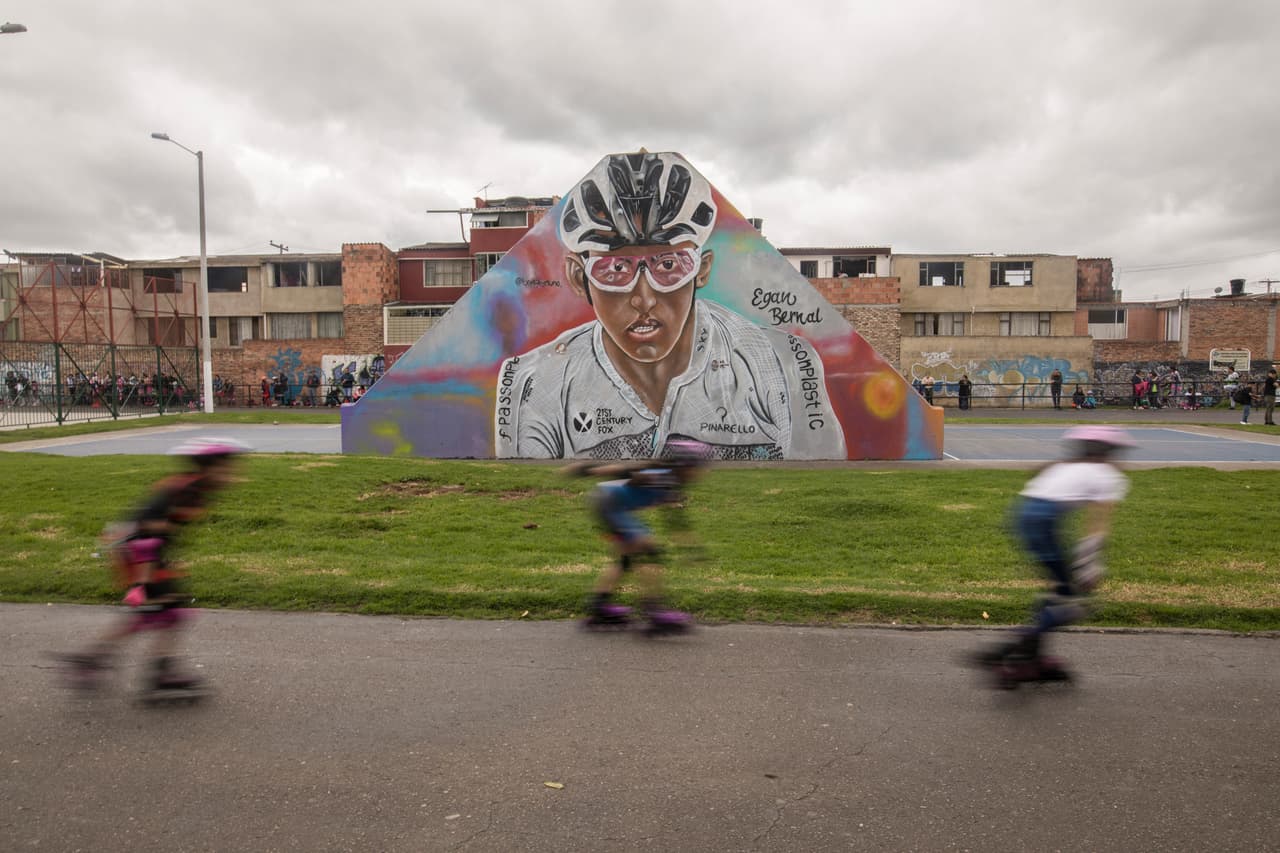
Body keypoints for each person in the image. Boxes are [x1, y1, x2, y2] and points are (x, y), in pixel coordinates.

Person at [495, 151, 845, 461]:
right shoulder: (533, 381)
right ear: (577, 277)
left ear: (702, 270)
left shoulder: (782, 365)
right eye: (616, 269)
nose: (644, 299)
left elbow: (823, 495)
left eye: (668, 266)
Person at [57, 438, 249, 698]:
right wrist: (142, 583)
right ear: (209, 469)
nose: (232, 474)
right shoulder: (187, 492)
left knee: (169, 610)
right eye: (226, 468)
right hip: (136, 550)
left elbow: (161, 535)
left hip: (143, 548)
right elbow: (148, 538)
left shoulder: (195, 489)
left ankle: (109, 662)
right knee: (161, 610)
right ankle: (109, 663)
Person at [971, 425, 1133, 686]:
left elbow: (1037, 479)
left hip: (1022, 517)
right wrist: (1088, 567)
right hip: (1042, 523)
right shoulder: (1107, 476)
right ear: (1110, 452)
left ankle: (1033, 657)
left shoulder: (1064, 466)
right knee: (1074, 603)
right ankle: (1010, 652)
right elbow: (1096, 526)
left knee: (1058, 592)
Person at [567, 439, 708, 634]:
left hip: (608, 504)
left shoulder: (671, 483)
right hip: (609, 505)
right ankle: (654, 611)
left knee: (626, 560)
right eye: (699, 467)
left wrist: (691, 549)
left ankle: (599, 606)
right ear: (686, 466)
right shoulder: (660, 477)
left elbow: (675, 521)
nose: (702, 472)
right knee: (650, 552)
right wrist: (586, 469)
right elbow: (625, 471)